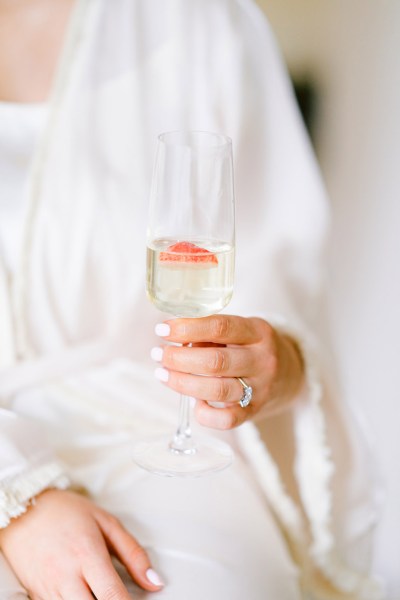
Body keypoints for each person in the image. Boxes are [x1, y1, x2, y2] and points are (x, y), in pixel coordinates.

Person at [0, 0, 382, 598]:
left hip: (143, 413)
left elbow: (275, 266)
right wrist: (16, 499)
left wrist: (272, 360)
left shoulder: (200, 21)